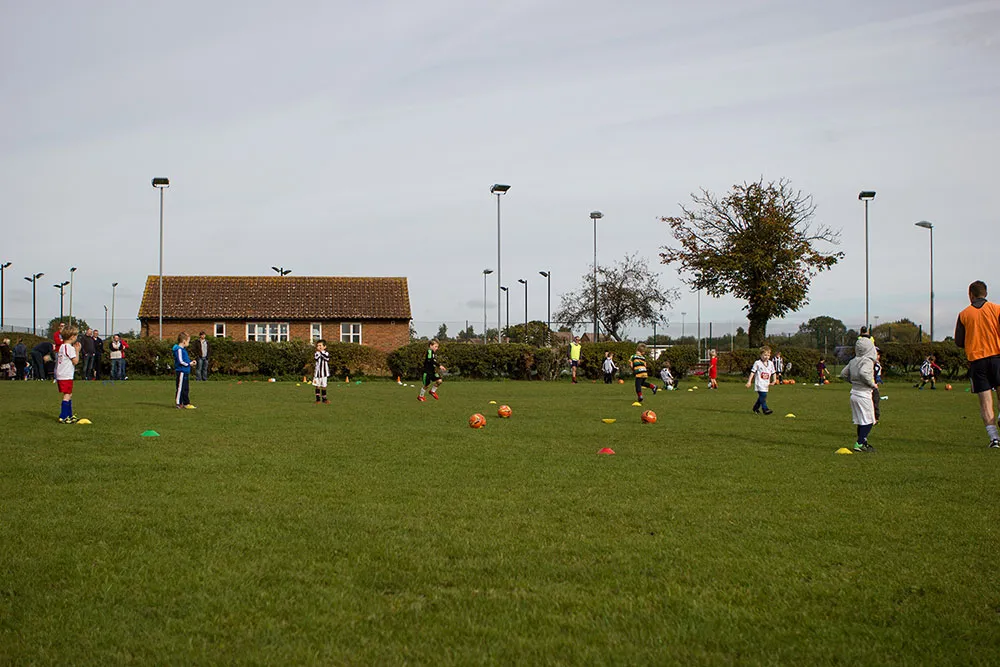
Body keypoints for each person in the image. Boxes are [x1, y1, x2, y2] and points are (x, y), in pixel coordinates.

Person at [955, 280, 1000, 448]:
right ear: (985, 293)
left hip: (977, 361)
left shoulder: (964, 314)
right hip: (997, 358)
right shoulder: (997, 309)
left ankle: (994, 439)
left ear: (970, 295)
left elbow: (959, 341)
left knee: (985, 402)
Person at [840, 335, 878, 452]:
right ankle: (860, 443)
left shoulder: (853, 361)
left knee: (861, 420)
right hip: (863, 394)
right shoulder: (867, 361)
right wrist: (872, 384)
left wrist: (853, 381)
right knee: (869, 420)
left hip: (854, 393)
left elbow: (843, 374)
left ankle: (863, 442)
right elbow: (863, 373)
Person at [55, 326, 81, 424]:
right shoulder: (69, 348)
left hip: (61, 374)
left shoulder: (62, 346)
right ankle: (64, 416)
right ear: (71, 337)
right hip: (66, 375)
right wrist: (77, 351)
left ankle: (69, 415)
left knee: (69, 394)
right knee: (67, 394)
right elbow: (75, 361)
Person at [746, 346, 776, 415]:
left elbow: (773, 372)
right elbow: (752, 372)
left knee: (762, 396)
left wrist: (774, 380)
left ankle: (755, 408)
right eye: (765, 355)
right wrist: (749, 381)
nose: (766, 357)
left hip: (766, 383)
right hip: (759, 383)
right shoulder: (757, 363)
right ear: (761, 355)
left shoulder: (771, 363)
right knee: (763, 395)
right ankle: (765, 409)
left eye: (768, 355)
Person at [172, 332, 196, 409]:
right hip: (181, 371)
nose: (188, 343)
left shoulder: (183, 350)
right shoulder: (179, 350)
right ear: (184, 341)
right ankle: (178, 403)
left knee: (186, 388)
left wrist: (190, 363)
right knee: (180, 388)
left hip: (185, 371)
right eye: (188, 341)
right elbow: (181, 361)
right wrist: (189, 364)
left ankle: (186, 403)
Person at [313, 339, 330, 404]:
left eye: (320, 345)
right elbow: (316, 358)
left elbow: (327, 358)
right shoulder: (316, 353)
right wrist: (319, 353)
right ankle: (317, 399)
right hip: (317, 373)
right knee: (317, 386)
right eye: (318, 346)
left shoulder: (326, 353)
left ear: (324, 347)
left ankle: (324, 399)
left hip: (324, 373)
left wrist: (322, 352)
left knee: (324, 386)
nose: (319, 347)